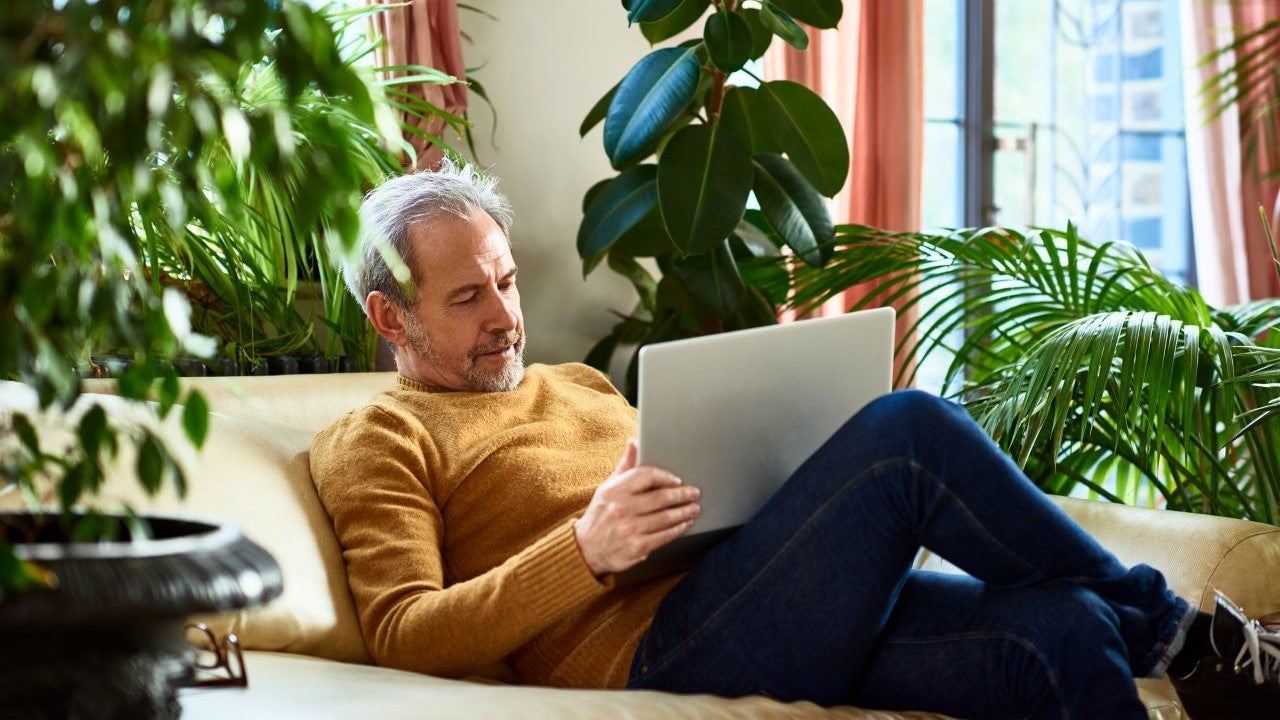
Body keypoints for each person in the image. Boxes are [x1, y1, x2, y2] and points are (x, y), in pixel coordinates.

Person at [309, 160, 1280, 719]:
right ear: (391, 317)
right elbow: (403, 634)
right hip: (656, 649)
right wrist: (584, 551)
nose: (504, 316)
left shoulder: (577, 383)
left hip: (759, 600)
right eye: (467, 298)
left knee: (1065, 625)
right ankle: (1188, 641)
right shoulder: (380, 436)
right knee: (910, 430)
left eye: (507, 282)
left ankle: (1189, 656)